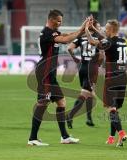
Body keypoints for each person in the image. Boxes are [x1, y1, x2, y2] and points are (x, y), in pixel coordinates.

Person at [27, 9, 87, 146]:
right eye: (59, 20)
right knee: (43, 103)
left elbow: (68, 36)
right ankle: (32, 138)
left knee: (61, 102)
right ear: (51, 19)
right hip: (45, 73)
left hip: (51, 74)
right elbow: (66, 39)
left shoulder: (53, 33)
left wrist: (83, 29)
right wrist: (81, 29)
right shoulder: (47, 33)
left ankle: (64, 137)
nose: (60, 23)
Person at [85, 18, 127, 147]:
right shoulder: (123, 41)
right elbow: (106, 39)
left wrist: (87, 30)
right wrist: (95, 29)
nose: (104, 29)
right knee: (115, 110)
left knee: (111, 109)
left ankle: (121, 133)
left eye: (106, 28)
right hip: (123, 78)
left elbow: (93, 42)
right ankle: (112, 137)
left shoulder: (109, 42)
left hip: (112, 78)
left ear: (110, 30)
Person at [66, 20, 104, 129]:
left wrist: (75, 58)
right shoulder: (98, 39)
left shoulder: (81, 37)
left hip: (82, 67)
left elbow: (69, 48)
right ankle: (70, 115)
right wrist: (99, 65)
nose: (100, 28)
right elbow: (101, 56)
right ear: (94, 28)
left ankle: (89, 118)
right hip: (92, 69)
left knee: (91, 94)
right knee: (85, 94)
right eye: (99, 26)